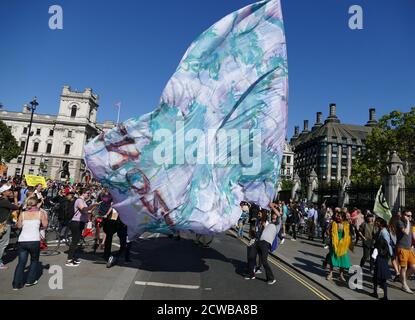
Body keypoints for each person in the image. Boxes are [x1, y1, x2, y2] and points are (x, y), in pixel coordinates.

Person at [12, 197, 48, 290]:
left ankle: (16, 284)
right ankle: (30, 281)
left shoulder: (23, 214)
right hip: (34, 240)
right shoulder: (40, 213)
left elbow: (19, 226)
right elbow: (45, 225)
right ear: (36, 204)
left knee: (21, 262)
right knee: (34, 260)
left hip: (23, 240)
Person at [66, 189, 100, 267]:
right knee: (74, 241)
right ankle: (69, 260)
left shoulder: (83, 201)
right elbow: (84, 209)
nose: (89, 195)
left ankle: (72, 258)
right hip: (76, 222)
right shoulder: (79, 200)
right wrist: (93, 205)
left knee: (77, 240)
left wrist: (94, 206)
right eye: (88, 193)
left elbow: (87, 211)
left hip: (80, 222)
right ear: (83, 193)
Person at [326, 210, 352, 282]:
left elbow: (348, 234)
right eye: (337, 216)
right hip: (334, 243)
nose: (337, 217)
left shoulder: (346, 224)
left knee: (343, 259)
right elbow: (327, 230)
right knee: (332, 258)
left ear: (343, 218)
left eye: (339, 216)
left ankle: (341, 275)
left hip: (343, 244)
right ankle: (330, 274)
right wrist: (331, 236)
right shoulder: (333, 223)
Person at [0, 184, 20, 270]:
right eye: (8, 191)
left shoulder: (3, 200)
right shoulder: (4, 201)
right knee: (3, 243)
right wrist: (15, 198)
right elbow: (16, 207)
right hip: (4, 224)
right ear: (4, 192)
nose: (10, 192)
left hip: (2, 223)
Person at [372, 218, 393, 300]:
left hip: (381, 257)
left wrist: (380, 253)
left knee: (381, 277)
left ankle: (384, 296)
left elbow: (387, 245)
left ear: (381, 223)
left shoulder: (384, 232)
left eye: (377, 221)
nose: (375, 222)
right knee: (377, 276)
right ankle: (376, 293)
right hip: (380, 256)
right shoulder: (381, 230)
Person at [395, 210, 415, 293]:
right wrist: (407, 222)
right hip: (402, 248)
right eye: (408, 215)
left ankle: (403, 279)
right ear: (403, 215)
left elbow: (411, 235)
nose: (410, 217)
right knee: (404, 267)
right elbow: (406, 232)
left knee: (413, 267)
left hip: (409, 248)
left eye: (411, 216)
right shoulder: (400, 222)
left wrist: (412, 245)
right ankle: (404, 284)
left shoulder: (410, 224)